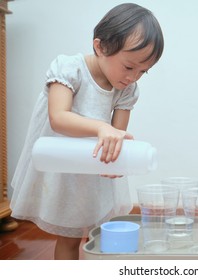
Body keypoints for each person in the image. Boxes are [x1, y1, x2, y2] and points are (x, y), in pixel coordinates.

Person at [10, 3, 164, 260]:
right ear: (100, 47)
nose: (134, 77)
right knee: (69, 238)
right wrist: (102, 128)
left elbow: (116, 134)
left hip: (92, 168)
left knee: (101, 235)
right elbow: (59, 118)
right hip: (62, 168)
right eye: (129, 67)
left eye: (143, 71)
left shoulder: (126, 89)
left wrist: (117, 156)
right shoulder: (70, 69)